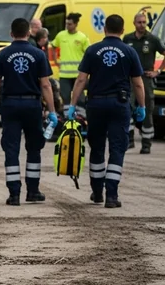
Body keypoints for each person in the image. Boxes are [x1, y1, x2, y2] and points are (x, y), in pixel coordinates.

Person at [68, 14, 146, 208]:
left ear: (104, 28)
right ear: (122, 29)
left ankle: (96, 192)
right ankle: (112, 195)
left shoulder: (93, 50)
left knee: (97, 147)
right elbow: (137, 83)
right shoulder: (129, 51)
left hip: (96, 105)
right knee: (117, 148)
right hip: (119, 106)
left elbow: (80, 80)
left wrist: (72, 104)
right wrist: (142, 107)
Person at [0, 18, 58, 206]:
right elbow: (45, 84)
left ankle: (14, 194)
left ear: (11, 33)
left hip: (10, 105)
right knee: (34, 147)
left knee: (11, 149)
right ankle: (33, 191)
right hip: (32, 105)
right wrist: (52, 110)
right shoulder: (38, 54)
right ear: (29, 33)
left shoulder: (3, 54)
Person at [122, 12, 165, 154]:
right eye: (139, 22)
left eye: (144, 22)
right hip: (129, 79)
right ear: (134, 23)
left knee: (146, 109)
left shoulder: (153, 39)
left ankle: (146, 143)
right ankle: (129, 140)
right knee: (127, 107)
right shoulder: (127, 38)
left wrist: (158, 71)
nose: (142, 25)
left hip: (145, 78)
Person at [51, 13, 90, 108]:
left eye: (70, 24)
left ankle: (81, 118)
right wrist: (56, 60)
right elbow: (53, 46)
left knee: (80, 100)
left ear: (76, 24)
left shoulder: (82, 37)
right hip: (64, 75)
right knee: (65, 98)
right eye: (66, 24)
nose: (67, 26)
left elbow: (89, 53)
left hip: (78, 75)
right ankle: (67, 119)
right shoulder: (61, 35)